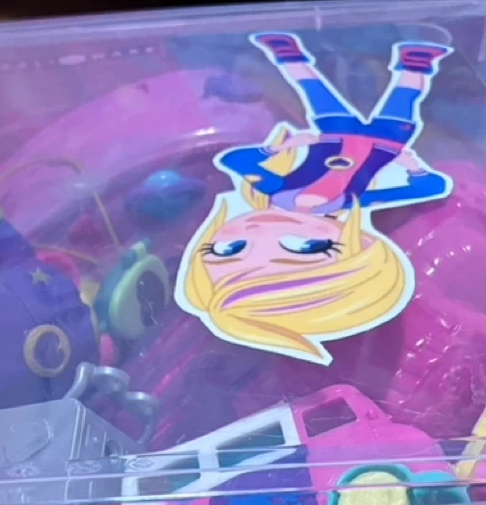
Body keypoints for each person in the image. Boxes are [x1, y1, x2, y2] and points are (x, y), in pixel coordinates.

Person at [177, 34, 453, 365]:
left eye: (229, 249)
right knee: (402, 103)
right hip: (383, 146)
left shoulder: (276, 189)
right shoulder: (353, 202)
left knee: (317, 93)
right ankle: (417, 64)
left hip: (332, 136)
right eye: (306, 248)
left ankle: (288, 54)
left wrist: (279, 149)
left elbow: (237, 160)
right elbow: (429, 186)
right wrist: (412, 167)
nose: (262, 234)